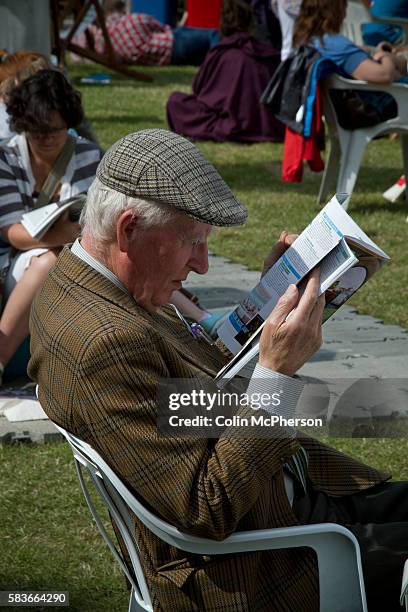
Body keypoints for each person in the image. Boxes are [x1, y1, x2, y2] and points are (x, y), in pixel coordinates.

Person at [29, 128, 408, 611]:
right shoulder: (106, 344)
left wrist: (269, 298)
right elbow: (206, 509)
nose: (204, 266)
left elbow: (185, 394)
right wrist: (276, 374)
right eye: (194, 242)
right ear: (127, 229)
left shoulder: (90, 281)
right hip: (262, 559)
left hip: (289, 498)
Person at [0, 69, 102, 380]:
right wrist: (62, 235)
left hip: (76, 257)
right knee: (50, 261)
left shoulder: (88, 154)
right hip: (15, 263)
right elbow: (13, 233)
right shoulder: (6, 157)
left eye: (54, 130)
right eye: (36, 131)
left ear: (69, 124)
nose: (45, 138)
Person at [166, 0, 284, 142]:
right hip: (266, 124)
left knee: (175, 102)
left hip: (231, 122)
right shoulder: (268, 53)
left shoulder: (222, 52)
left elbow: (200, 91)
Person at [293, 0, 408, 123]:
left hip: (353, 106)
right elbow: (385, 75)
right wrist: (386, 57)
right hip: (379, 105)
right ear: (334, 11)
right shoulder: (337, 45)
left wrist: (373, 52)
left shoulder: (313, 41)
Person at [74, 0, 219, 67]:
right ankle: (226, 61)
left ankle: (220, 61)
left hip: (170, 51)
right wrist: (161, 28)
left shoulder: (109, 52)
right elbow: (144, 20)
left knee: (204, 51)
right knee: (214, 35)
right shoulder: (115, 29)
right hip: (172, 41)